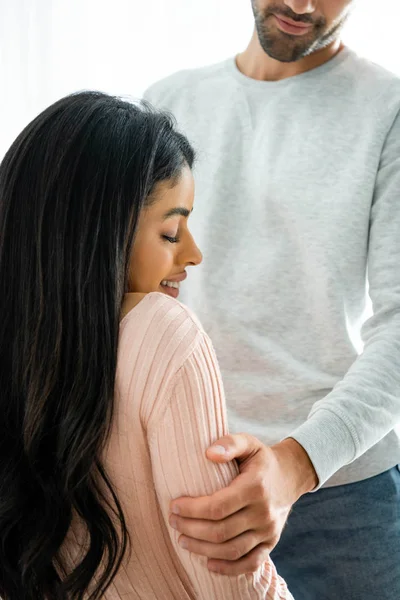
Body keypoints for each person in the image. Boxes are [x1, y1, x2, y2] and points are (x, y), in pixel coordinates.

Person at [143, 0, 400, 598]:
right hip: (184, 480)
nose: (303, 5)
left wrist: (293, 464)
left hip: (341, 494)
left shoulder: (388, 110)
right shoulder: (168, 100)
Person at [0, 91, 293, 599]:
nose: (194, 254)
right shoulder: (165, 333)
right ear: (100, 231)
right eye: (172, 231)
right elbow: (236, 588)